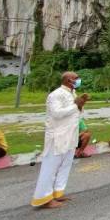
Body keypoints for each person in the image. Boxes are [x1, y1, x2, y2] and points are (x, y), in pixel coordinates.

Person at [30, 72, 88, 209]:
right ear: (68, 80)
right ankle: (43, 198)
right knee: (50, 167)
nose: (78, 80)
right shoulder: (55, 94)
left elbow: (77, 114)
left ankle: (58, 193)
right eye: (76, 78)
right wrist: (76, 105)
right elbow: (56, 113)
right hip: (57, 137)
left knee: (65, 165)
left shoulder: (72, 94)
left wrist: (80, 104)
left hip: (70, 135)